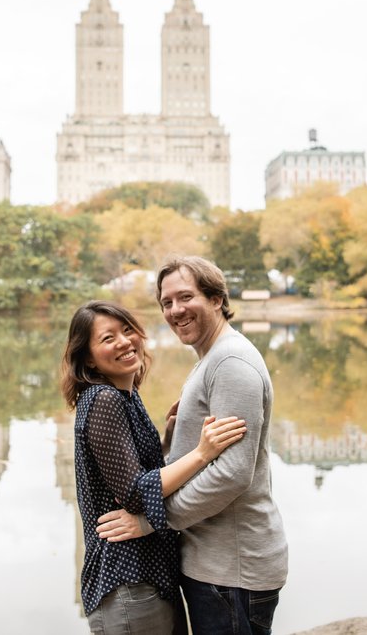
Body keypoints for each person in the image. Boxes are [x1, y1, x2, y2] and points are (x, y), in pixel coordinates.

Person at [96, 256, 288, 635]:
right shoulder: (211, 359)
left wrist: (151, 519)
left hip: (232, 570)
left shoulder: (231, 362)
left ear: (216, 298)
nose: (175, 310)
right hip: (215, 565)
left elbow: (232, 475)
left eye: (186, 297)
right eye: (166, 302)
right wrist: (174, 436)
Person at [62, 300, 248, 635]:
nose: (124, 341)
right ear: (88, 358)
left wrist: (167, 440)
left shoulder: (125, 395)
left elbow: (121, 472)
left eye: (127, 330)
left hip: (149, 577)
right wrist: (202, 453)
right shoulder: (103, 400)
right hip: (127, 580)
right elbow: (135, 493)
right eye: (108, 338)